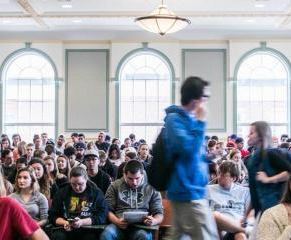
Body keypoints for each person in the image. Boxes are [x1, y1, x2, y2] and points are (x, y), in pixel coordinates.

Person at [163, 76, 218, 239]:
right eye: (205, 97)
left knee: (178, 236)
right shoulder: (174, 120)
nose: (206, 102)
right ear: (195, 99)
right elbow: (189, 150)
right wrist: (201, 122)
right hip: (187, 191)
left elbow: (192, 154)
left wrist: (208, 157)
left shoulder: (190, 120)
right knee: (208, 236)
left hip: (193, 189)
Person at [101, 160, 164, 240]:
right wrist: (116, 221)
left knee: (143, 236)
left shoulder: (151, 187)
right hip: (119, 224)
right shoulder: (115, 186)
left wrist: (154, 220)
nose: (134, 182)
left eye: (137, 178)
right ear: (124, 174)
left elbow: (159, 212)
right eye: (130, 178)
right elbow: (107, 209)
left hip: (142, 226)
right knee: (107, 234)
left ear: (142, 174)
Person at [246, 121, 291, 217]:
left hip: (275, 209)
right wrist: (246, 214)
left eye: (252, 133)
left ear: (261, 135)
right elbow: (254, 190)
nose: (248, 135)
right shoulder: (253, 158)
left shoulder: (271, 154)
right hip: (261, 211)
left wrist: (269, 179)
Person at [49, 167, 108, 240]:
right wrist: (65, 222)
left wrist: (82, 222)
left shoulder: (96, 193)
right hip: (66, 227)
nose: (77, 187)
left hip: (88, 228)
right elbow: (52, 215)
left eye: (80, 184)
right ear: (69, 181)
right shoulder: (62, 192)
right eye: (73, 184)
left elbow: (102, 216)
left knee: (90, 238)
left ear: (86, 180)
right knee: (59, 237)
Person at [206, 161, 251, 240]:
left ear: (233, 178)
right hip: (218, 226)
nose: (219, 177)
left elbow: (250, 215)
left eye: (223, 175)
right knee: (215, 215)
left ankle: (243, 230)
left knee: (241, 236)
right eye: (219, 173)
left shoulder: (245, 191)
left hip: (237, 224)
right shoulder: (208, 189)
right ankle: (247, 230)